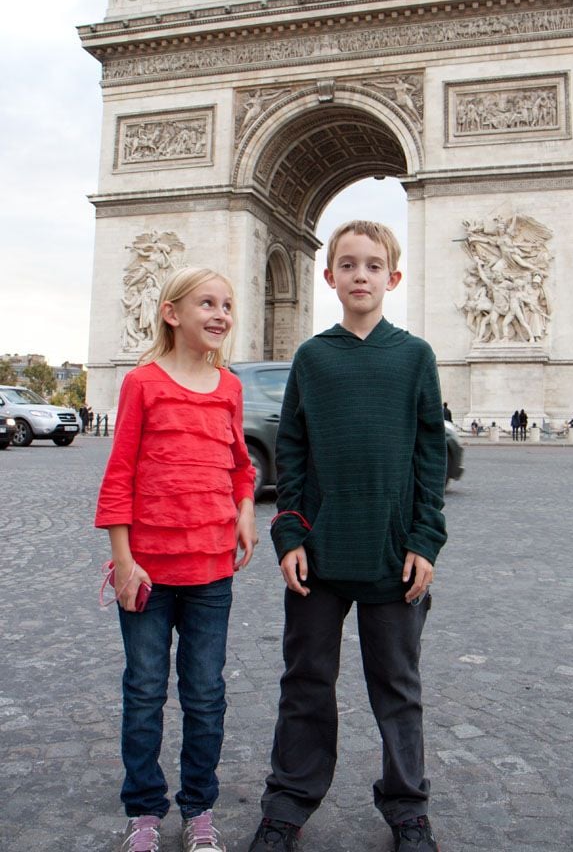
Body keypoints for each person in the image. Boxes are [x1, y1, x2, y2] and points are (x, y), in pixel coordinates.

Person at [248, 221, 447, 852]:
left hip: (393, 556)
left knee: (398, 688)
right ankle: (288, 803)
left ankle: (407, 806)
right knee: (304, 683)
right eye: (348, 265)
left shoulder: (415, 356)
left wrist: (425, 540)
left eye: (373, 265)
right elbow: (294, 454)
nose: (360, 275)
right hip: (319, 554)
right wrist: (288, 536)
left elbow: (429, 457)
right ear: (328, 276)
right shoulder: (312, 357)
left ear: (392, 277)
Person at [95, 266, 258, 852]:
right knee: (143, 691)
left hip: (212, 569)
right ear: (171, 313)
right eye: (207, 303)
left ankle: (199, 809)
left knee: (205, 693)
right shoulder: (142, 382)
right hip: (147, 570)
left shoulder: (232, 388)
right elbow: (120, 474)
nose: (220, 314)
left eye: (228, 304)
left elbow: (242, 464)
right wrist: (123, 560)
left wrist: (245, 507)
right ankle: (143, 811)